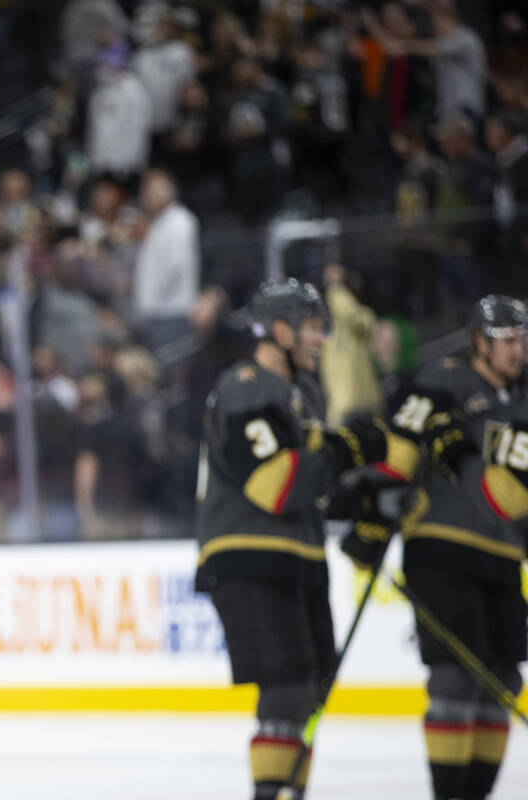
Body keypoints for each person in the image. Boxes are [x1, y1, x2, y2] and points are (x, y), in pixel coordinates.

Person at [194, 278, 389, 800]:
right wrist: (347, 452)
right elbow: (276, 485)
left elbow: (312, 480)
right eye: (311, 328)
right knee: (286, 690)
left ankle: (286, 792)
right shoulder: (247, 385)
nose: (320, 339)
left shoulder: (298, 395)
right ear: (279, 331)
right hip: (249, 557)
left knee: (308, 691)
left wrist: (361, 499)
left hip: (296, 557)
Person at [344, 295, 528, 800]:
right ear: (480, 342)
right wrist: (374, 512)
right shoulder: (443, 381)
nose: (518, 351)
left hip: (505, 555)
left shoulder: (523, 402)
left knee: (504, 679)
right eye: (507, 340)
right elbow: (400, 445)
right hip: (441, 547)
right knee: (455, 679)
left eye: (522, 339)